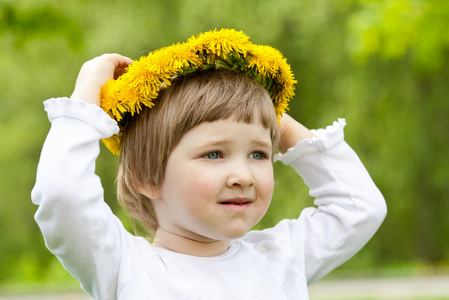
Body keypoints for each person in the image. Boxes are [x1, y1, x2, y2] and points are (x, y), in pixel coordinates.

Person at [32, 29, 386, 299]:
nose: (243, 175)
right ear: (146, 176)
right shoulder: (123, 265)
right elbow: (63, 194)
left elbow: (359, 208)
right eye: (214, 154)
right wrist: (87, 94)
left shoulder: (281, 257)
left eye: (259, 154)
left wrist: (274, 119)